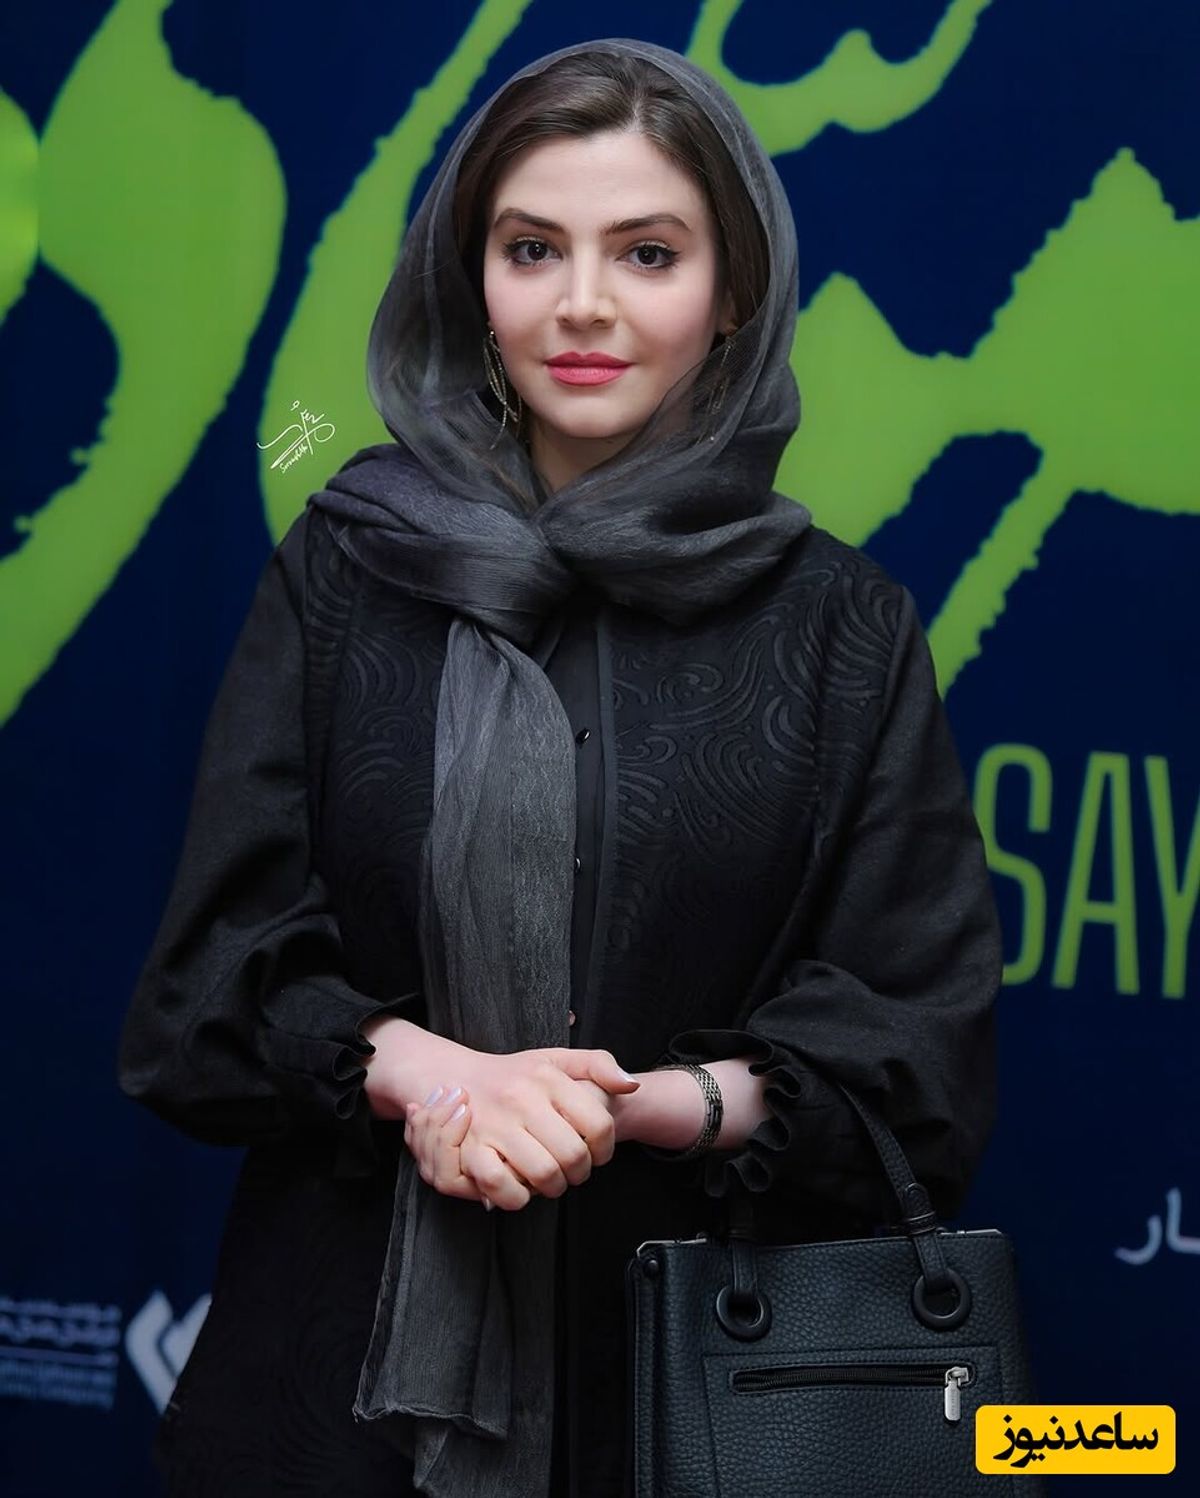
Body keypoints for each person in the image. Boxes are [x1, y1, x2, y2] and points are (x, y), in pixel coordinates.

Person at [117, 36, 1001, 1498]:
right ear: (470, 277)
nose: (583, 302)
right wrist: (436, 1080)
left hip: (698, 1397)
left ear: (733, 296)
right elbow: (205, 993)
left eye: (649, 253)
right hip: (335, 1400)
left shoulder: (840, 629)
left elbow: (919, 1056)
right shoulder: (346, 571)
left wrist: (639, 1103)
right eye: (532, 249)